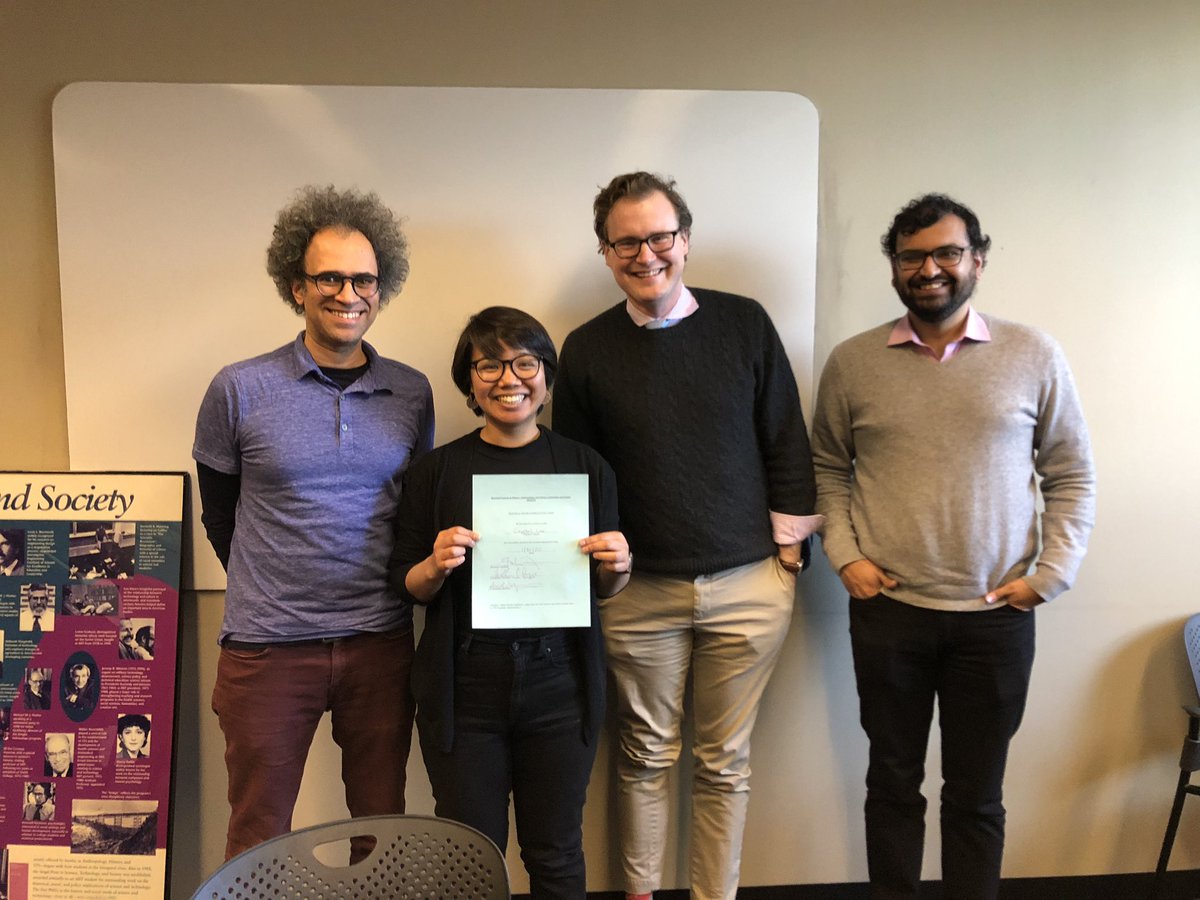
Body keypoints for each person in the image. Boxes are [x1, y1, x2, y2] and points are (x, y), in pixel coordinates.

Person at [811, 193, 1096, 900]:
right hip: (890, 612)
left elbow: (1072, 473)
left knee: (977, 795)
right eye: (912, 256)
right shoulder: (853, 364)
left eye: (947, 253)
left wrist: (1051, 574)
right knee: (892, 784)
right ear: (894, 268)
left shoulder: (1033, 354)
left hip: (996, 617)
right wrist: (845, 555)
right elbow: (825, 467)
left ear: (977, 260)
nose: (930, 269)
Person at [553, 172, 820, 900]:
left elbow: (784, 438)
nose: (647, 254)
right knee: (642, 758)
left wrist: (790, 551)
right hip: (637, 597)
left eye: (660, 236)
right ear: (607, 253)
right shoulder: (584, 349)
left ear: (686, 241)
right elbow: (576, 471)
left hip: (749, 584)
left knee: (724, 762)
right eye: (627, 241)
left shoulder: (745, 324)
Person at [193, 184, 434, 861]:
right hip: (268, 650)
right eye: (329, 276)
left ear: (381, 288)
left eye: (364, 278)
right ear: (296, 286)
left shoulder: (412, 392)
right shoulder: (239, 388)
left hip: (381, 644)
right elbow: (220, 512)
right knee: (259, 832)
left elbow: (416, 509)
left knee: (381, 827)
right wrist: (270, 584)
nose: (347, 293)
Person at [391, 307, 629, 897]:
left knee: (555, 852)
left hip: (561, 681)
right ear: (469, 381)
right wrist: (434, 564)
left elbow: (602, 588)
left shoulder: (585, 466)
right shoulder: (435, 470)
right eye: (489, 365)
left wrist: (619, 568)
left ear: (546, 375)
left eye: (525, 363)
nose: (508, 379)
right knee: (471, 856)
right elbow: (408, 584)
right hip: (465, 682)